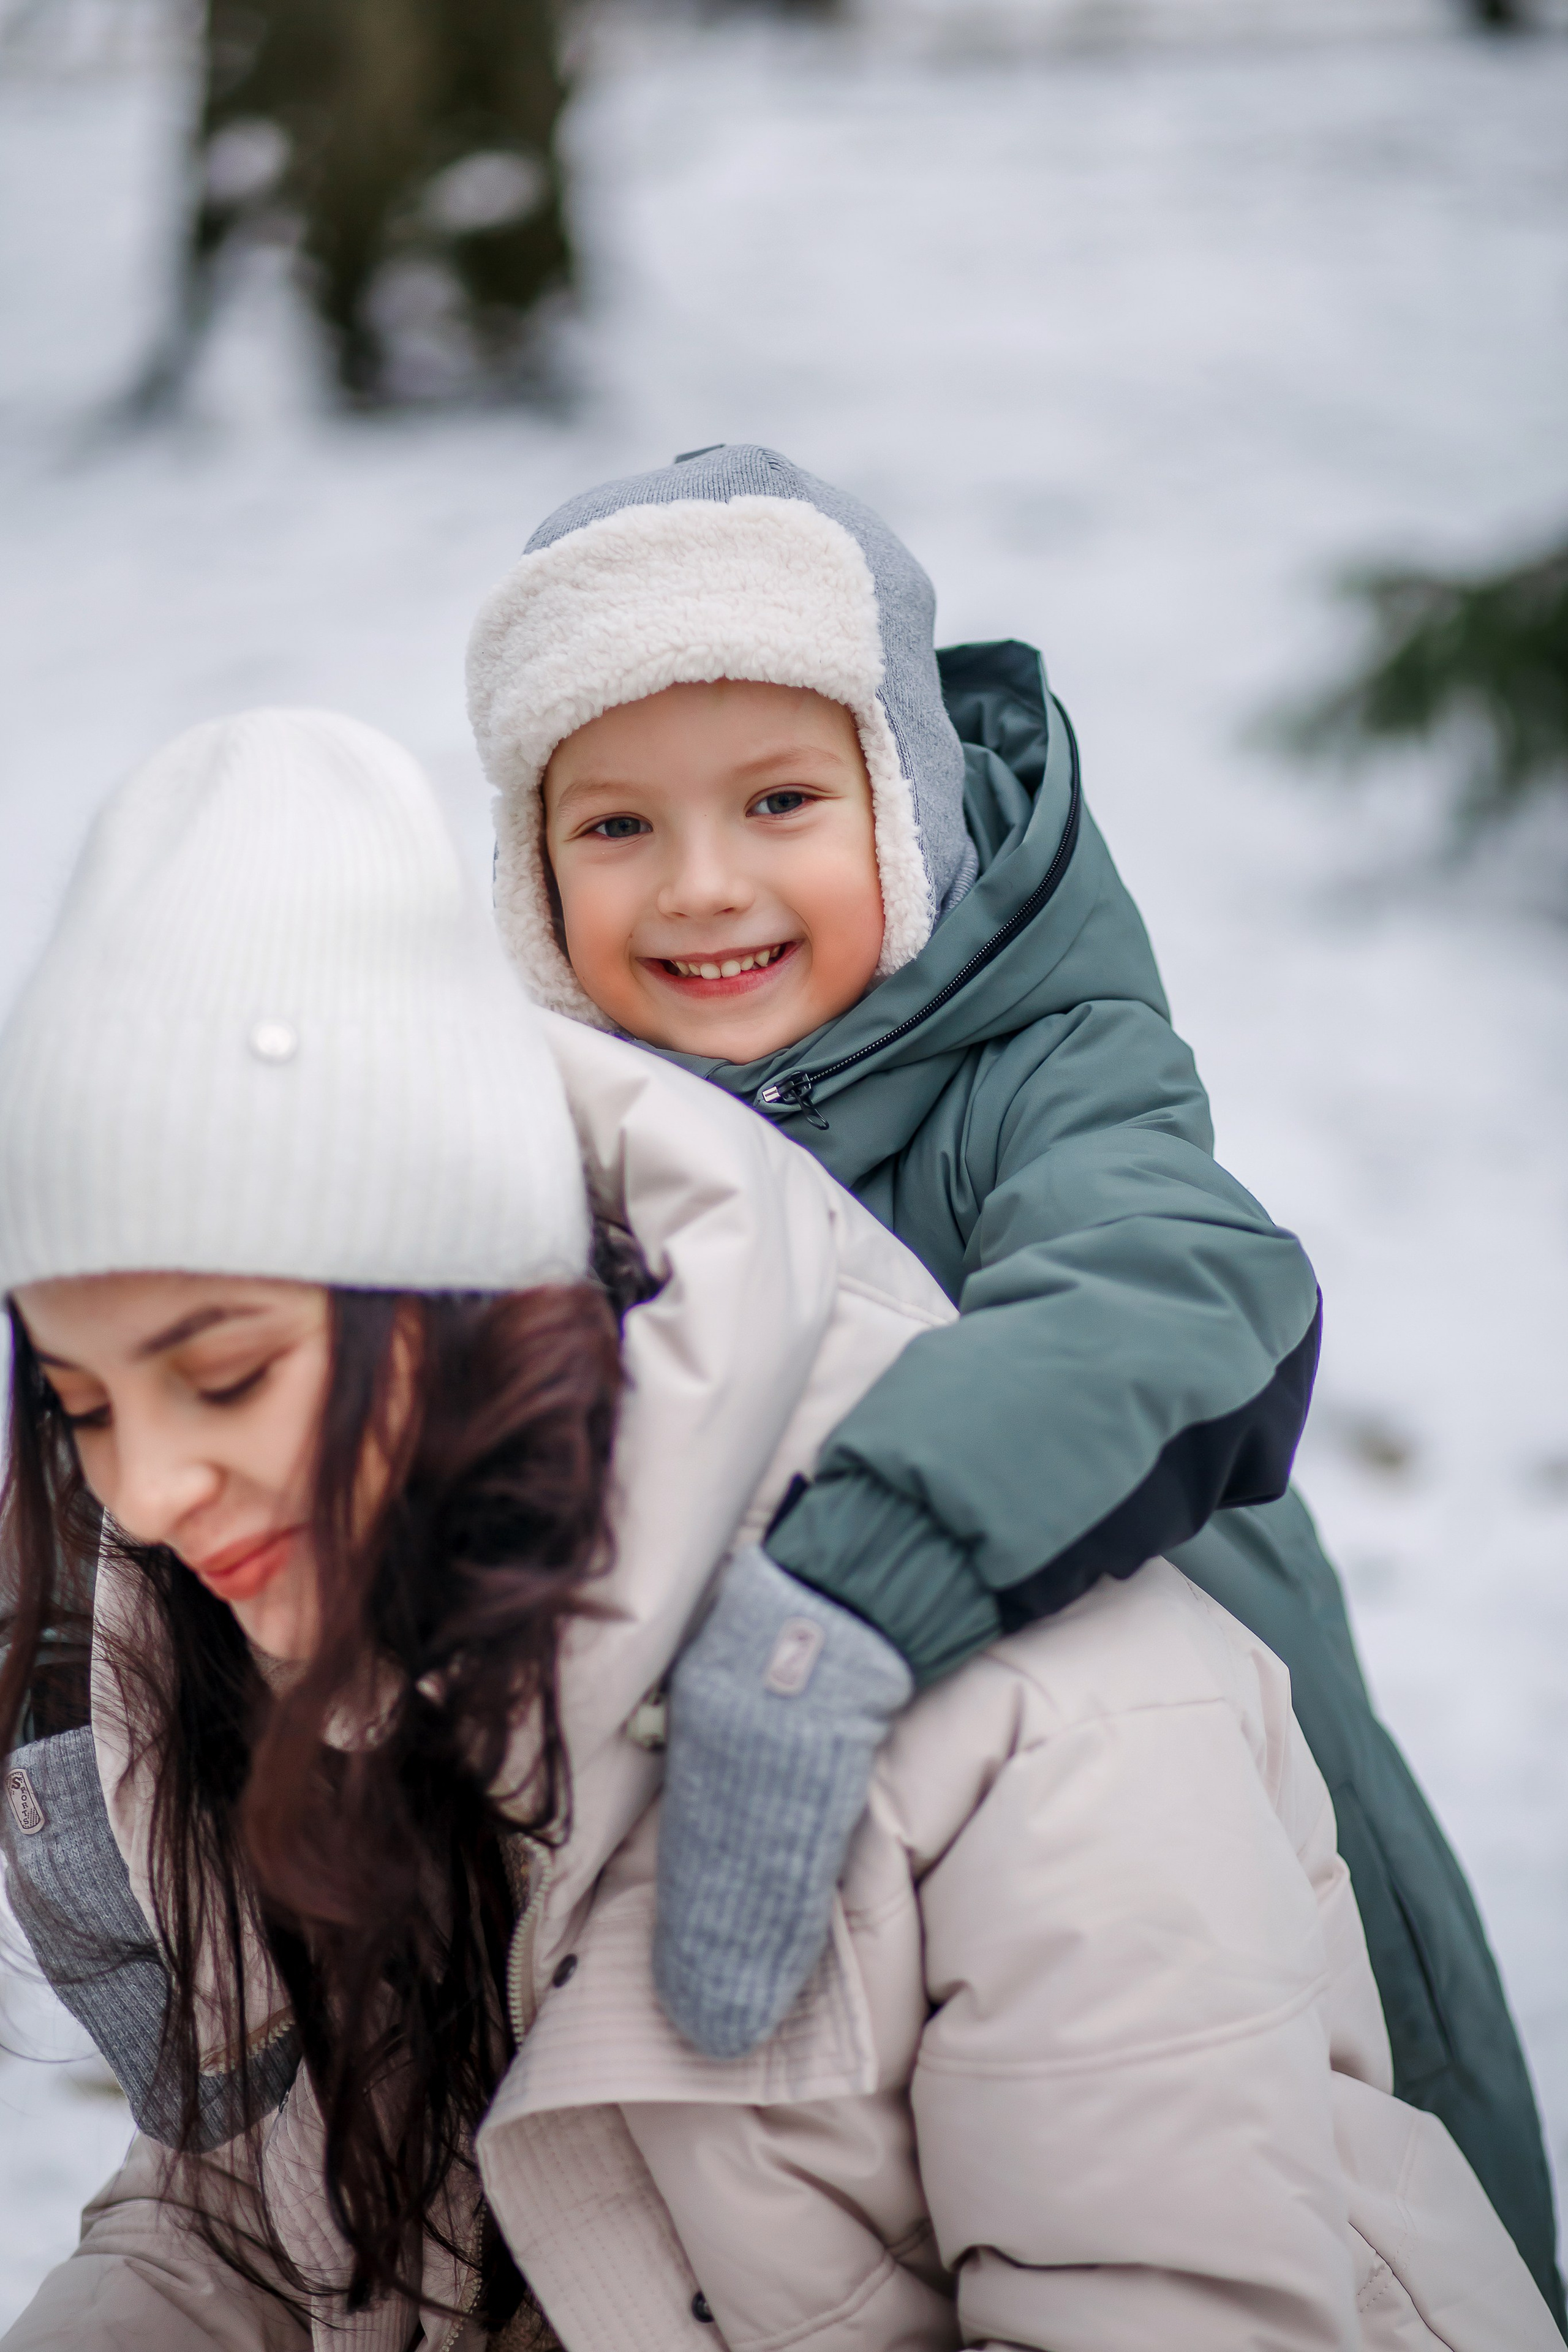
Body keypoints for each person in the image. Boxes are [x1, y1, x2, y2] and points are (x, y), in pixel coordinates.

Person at [0, 707, 1558, 2352]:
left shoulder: (1045, 1723)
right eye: (90, 1408)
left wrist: (856, 1606)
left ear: (455, 1303)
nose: (148, 1496)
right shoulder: (286, 1668)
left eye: (227, 1379)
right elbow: (242, 2242)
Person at [465, 443, 1564, 2321]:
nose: (702, 886)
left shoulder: (1038, 1060)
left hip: (1190, 1847)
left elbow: (1179, 1281)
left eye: (782, 797)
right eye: (617, 827)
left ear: (905, 804)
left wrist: (846, 1586)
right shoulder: (539, 1149)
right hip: (808, 1929)